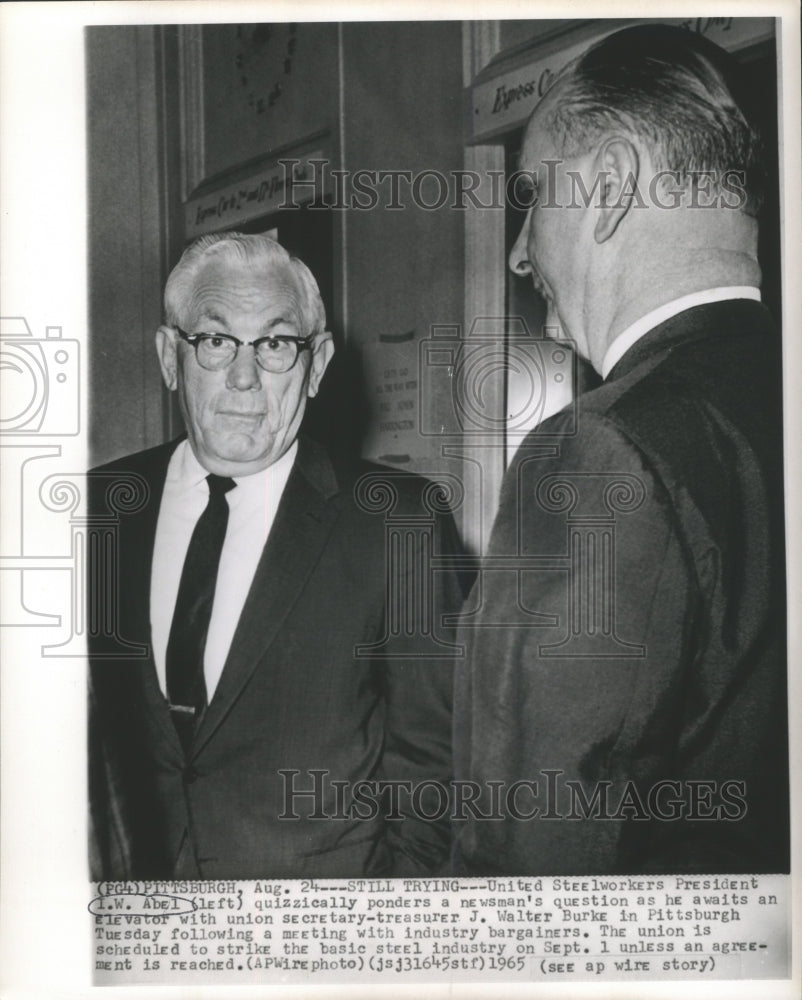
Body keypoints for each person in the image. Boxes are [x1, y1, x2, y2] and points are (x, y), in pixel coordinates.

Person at [453, 24, 788, 875]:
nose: (521, 253)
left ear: (608, 187)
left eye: (533, 195)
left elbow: (527, 856)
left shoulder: (597, 451)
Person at [89, 232, 464, 879]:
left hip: (316, 948)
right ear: (170, 357)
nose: (243, 376)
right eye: (214, 341)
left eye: (275, 345)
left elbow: (437, 767)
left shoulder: (398, 523)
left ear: (316, 365)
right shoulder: (96, 509)